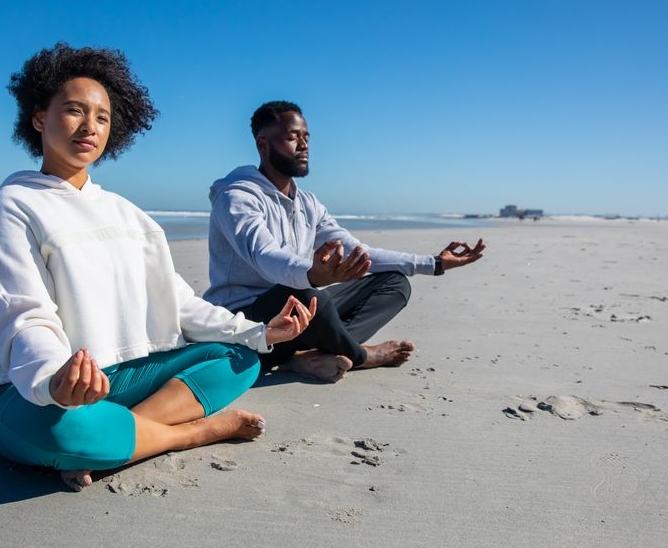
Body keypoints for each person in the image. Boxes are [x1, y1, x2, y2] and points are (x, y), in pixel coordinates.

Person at [0, 46, 316, 491]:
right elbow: (22, 315)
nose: (89, 127)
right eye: (74, 111)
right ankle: (188, 434)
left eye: (102, 117)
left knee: (239, 359)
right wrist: (54, 382)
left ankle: (120, 438)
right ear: (39, 117)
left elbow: (178, 302)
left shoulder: (129, 215)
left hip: (119, 379)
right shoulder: (15, 204)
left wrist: (261, 333)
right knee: (67, 430)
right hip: (31, 391)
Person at [203, 100, 484, 383]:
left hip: (294, 317)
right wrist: (311, 274)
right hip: (245, 322)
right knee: (308, 297)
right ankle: (361, 356)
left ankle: (305, 357)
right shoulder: (237, 198)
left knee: (394, 283)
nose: (303, 145)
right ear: (263, 145)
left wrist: (434, 263)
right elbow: (265, 255)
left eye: (306, 137)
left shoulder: (307, 203)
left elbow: (358, 252)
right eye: (292, 137)